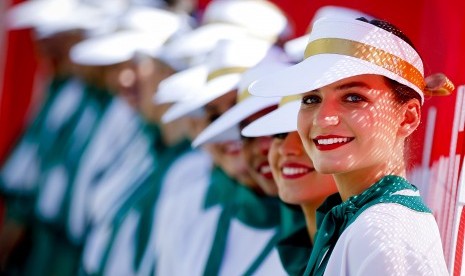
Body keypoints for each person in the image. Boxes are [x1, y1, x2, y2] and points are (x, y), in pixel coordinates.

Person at [249, 17, 454, 275]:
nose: (324, 118)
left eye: (353, 97)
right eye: (311, 99)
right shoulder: (361, 223)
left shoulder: (382, 234)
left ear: (408, 117)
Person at [242, 95, 340, 275]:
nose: (285, 149)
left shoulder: (369, 238)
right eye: (279, 134)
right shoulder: (297, 251)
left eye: (311, 133)